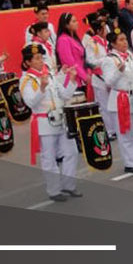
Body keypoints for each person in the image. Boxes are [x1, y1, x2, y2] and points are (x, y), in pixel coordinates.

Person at [19, 44, 82, 201]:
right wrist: (41, 88)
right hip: (44, 121)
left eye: (41, 57)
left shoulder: (50, 75)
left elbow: (65, 95)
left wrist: (72, 80)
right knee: (49, 158)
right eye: (37, 58)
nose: (41, 61)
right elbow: (31, 103)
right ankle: (54, 190)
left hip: (60, 119)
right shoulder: (27, 80)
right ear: (27, 63)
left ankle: (68, 185)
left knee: (71, 152)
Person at [101, 30, 133, 174]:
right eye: (121, 40)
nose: (125, 42)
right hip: (120, 98)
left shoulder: (129, 55)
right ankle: (130, 162)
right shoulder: (109, 60)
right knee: (125, 132)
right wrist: (119, 71)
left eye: (125, 39)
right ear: (113, 43)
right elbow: (108, 81)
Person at [82, 13, 116, 138]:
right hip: (99, 77)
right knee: (103, 105)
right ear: (98, 31)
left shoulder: (107, 42)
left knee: (112, 103)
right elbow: (91, 61)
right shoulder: (92, 43)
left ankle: (114, 127)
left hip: (109, 74)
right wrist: (106, 59)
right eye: (104, 29)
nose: (107, 30)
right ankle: (109, 130)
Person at [55, 13, 89, 92]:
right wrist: (84, 76)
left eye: (76, 21)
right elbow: (70, 62)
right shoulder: (63, 40)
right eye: (73, 21)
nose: (77, 23)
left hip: (80, 78)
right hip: (71, 80)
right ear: (66, 25)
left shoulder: (74, 38)